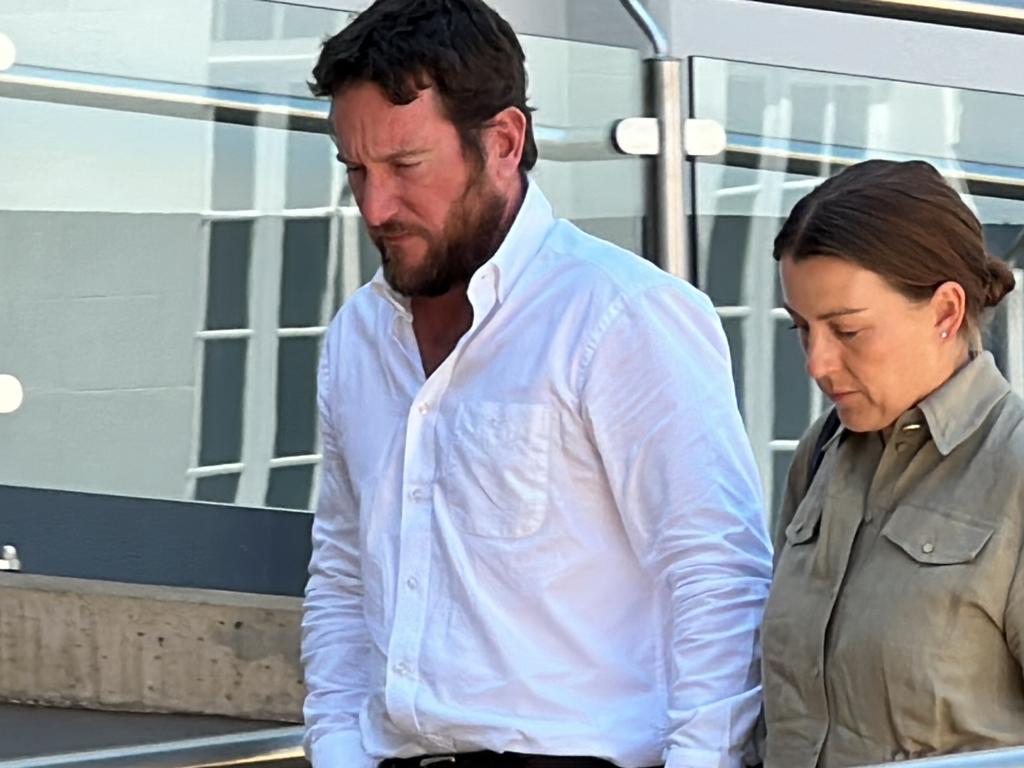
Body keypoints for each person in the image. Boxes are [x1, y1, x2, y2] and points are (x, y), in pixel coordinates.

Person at [300, 1, 772, 767]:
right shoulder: (357, 336)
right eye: (356, 170)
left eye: (405, 166)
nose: (375, 206)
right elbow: (344, 571)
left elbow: (715, 578)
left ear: (505, 142)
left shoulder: (623, 316)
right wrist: (336, 752)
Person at [762, 159, 1024, 767]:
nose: (817, 363)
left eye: (846, 330)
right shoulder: (820, 454)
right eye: (802, 329)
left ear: (945, 312)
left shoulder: (1014, 470)